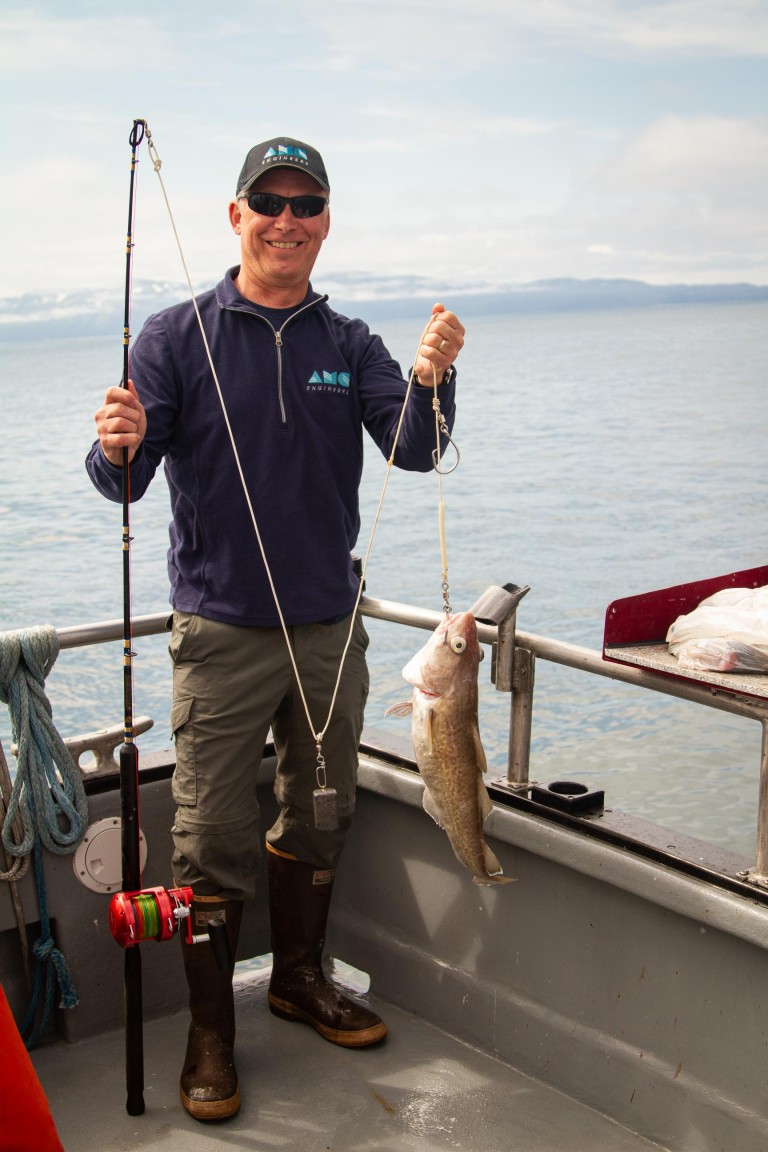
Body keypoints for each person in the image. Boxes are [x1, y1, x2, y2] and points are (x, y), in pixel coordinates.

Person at [87, 136, 465, 1122]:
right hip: (218, 634)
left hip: (329, 635)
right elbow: (125, 478)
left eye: (306, 205)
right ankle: (212, 1034)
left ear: (326, 223)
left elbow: (414, 450)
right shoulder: (175, 337)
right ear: (236, 215)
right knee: (209, 835)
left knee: (320, 810)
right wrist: (110, 445)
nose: (286, 220)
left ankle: (299, 978)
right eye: (269, 201)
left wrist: (435, 378)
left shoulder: (352, 346)